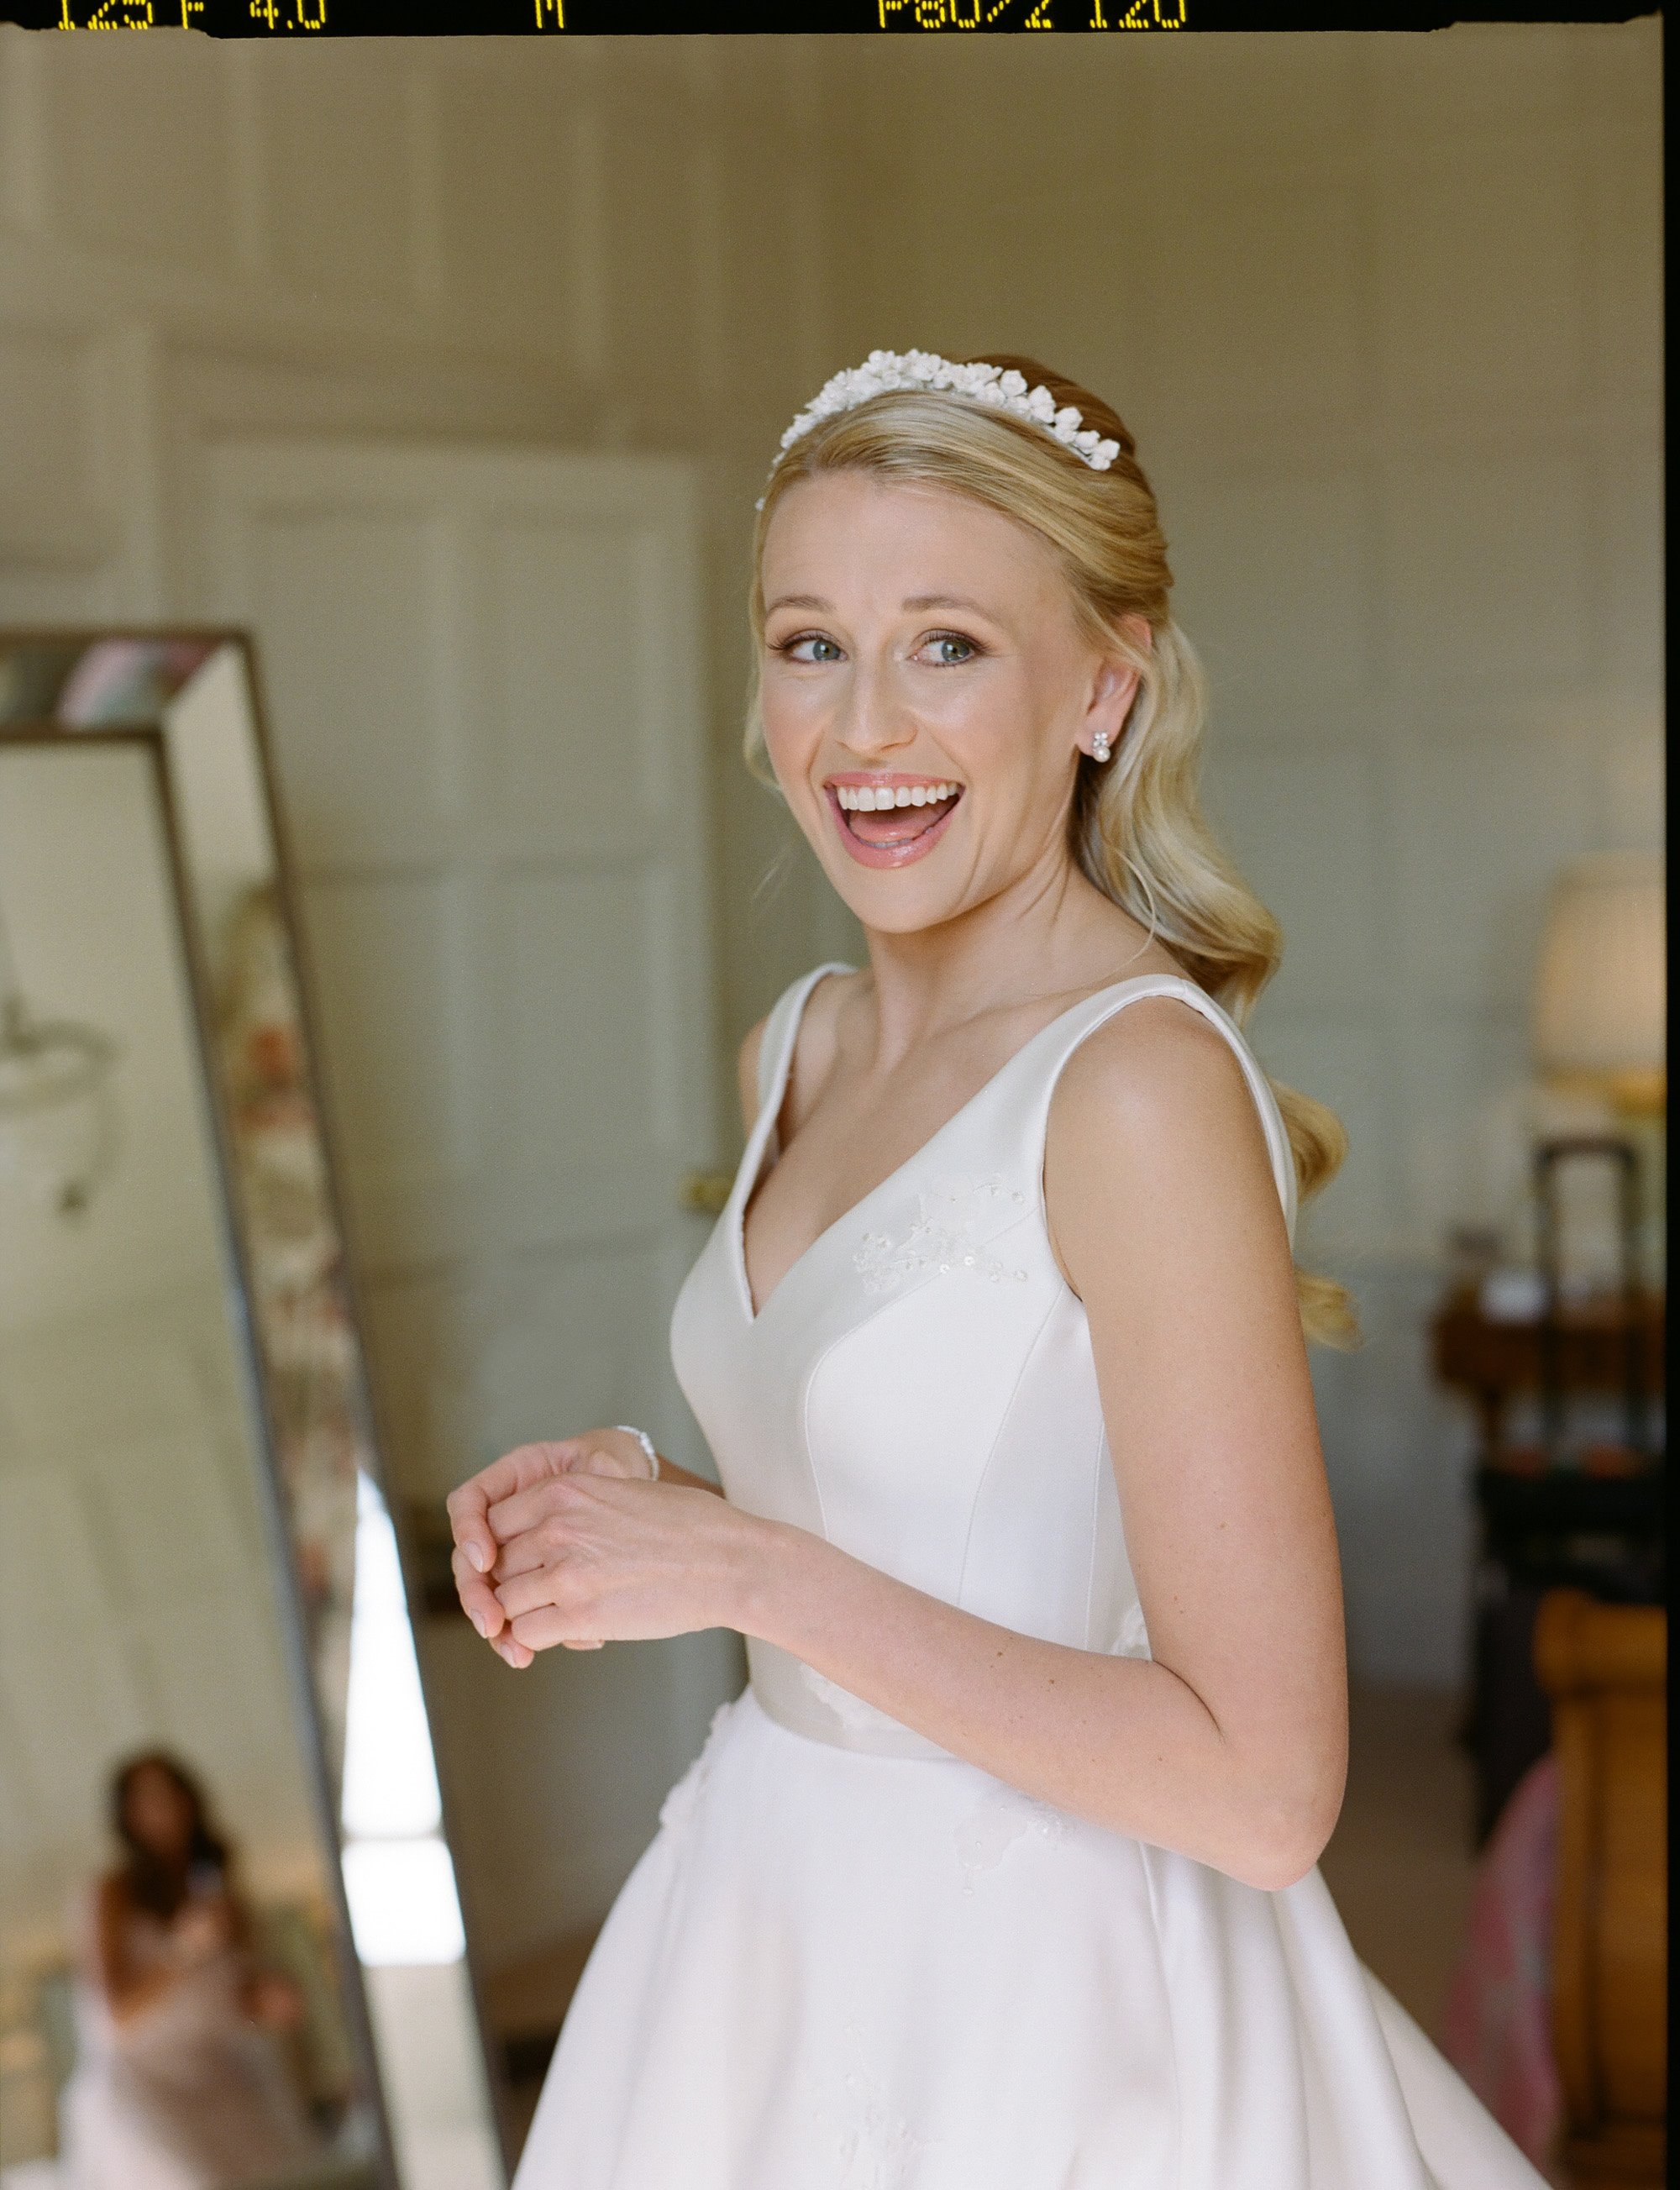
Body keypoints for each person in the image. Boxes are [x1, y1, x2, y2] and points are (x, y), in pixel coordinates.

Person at [449, 349, 1550, 2187]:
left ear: (1103, 685)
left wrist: (742, 1565)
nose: (863, 727)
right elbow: (945, 1490)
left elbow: (1263, 1791)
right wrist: (646, 1513)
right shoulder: (794, 1047)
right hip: (760, 1914)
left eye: (946, 643)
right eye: (810, 642)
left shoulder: (1131, 1086)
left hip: (1047, 1985)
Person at [60, 1750, 323, 2190]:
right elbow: (115, 2015)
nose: (163, 1808)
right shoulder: (111, 1895)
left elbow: (236, 2000)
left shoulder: (220, 1890)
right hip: (145, 2088)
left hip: (219, 2080)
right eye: (146, 1799)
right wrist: (183, 1950)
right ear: (126, 1816)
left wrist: (269, 2001)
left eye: (170, 1793)